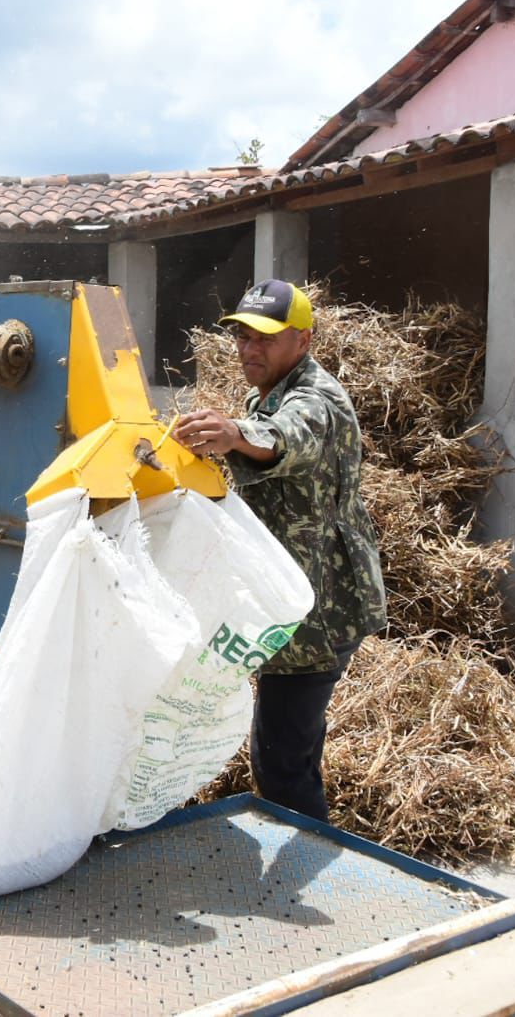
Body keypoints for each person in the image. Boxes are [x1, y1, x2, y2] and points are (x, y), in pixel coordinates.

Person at [172, 279, 387, 823]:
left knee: (282, 764)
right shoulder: (267, 395)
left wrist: (234, 434)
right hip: (292, 603)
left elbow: (288, 436)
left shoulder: (316, 399)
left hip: (322, 613)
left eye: (266, 338)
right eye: (243, 337)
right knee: (290, 750)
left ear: (303, 340)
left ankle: (306, 861)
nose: (250, 349)